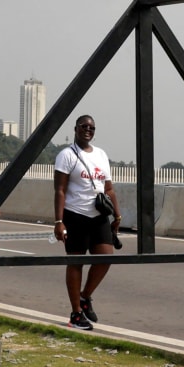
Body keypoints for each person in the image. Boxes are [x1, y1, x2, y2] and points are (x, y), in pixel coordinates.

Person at [54, 114, 118, 329]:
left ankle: (85, 296)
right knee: (76, 263)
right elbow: (60, 189)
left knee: (106, 258)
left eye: (91, 127)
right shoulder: (66, 155)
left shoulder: (100, 155)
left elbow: (108, 188)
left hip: (99, 216)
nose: (87, 130)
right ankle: (75, 314)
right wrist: (58, 221)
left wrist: (116, 215)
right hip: (75, 215)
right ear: (76, 129)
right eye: (84, 126)